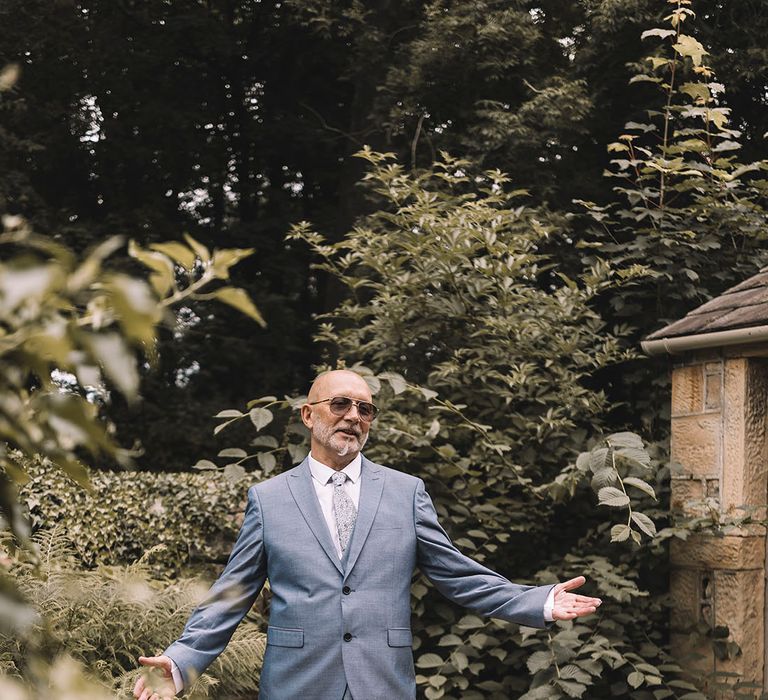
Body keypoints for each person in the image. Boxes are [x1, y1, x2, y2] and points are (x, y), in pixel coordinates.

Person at [134, 370, 601, 700]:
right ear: (308, 416)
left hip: (383, 682)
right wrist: (180, 663)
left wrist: (536, 601)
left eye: (365, 409)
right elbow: (231, 595)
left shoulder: (406, 492)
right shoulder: (269, 499)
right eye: (340, 404)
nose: (353, 416)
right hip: (297, 685)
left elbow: (458, 576)